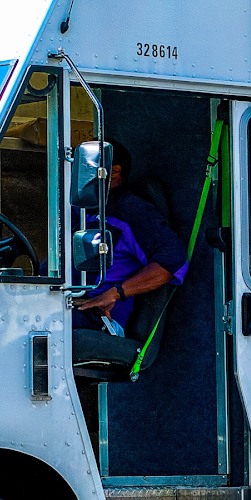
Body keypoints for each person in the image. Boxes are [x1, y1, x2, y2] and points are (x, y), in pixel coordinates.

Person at [71, 141, 189, 367]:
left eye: (83, 167)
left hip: (97, 317)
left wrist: (115, 294)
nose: (76, 175)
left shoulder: (131, 210)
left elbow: (173, 262)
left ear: (114, 171)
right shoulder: (81, 210)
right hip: (63, 304)